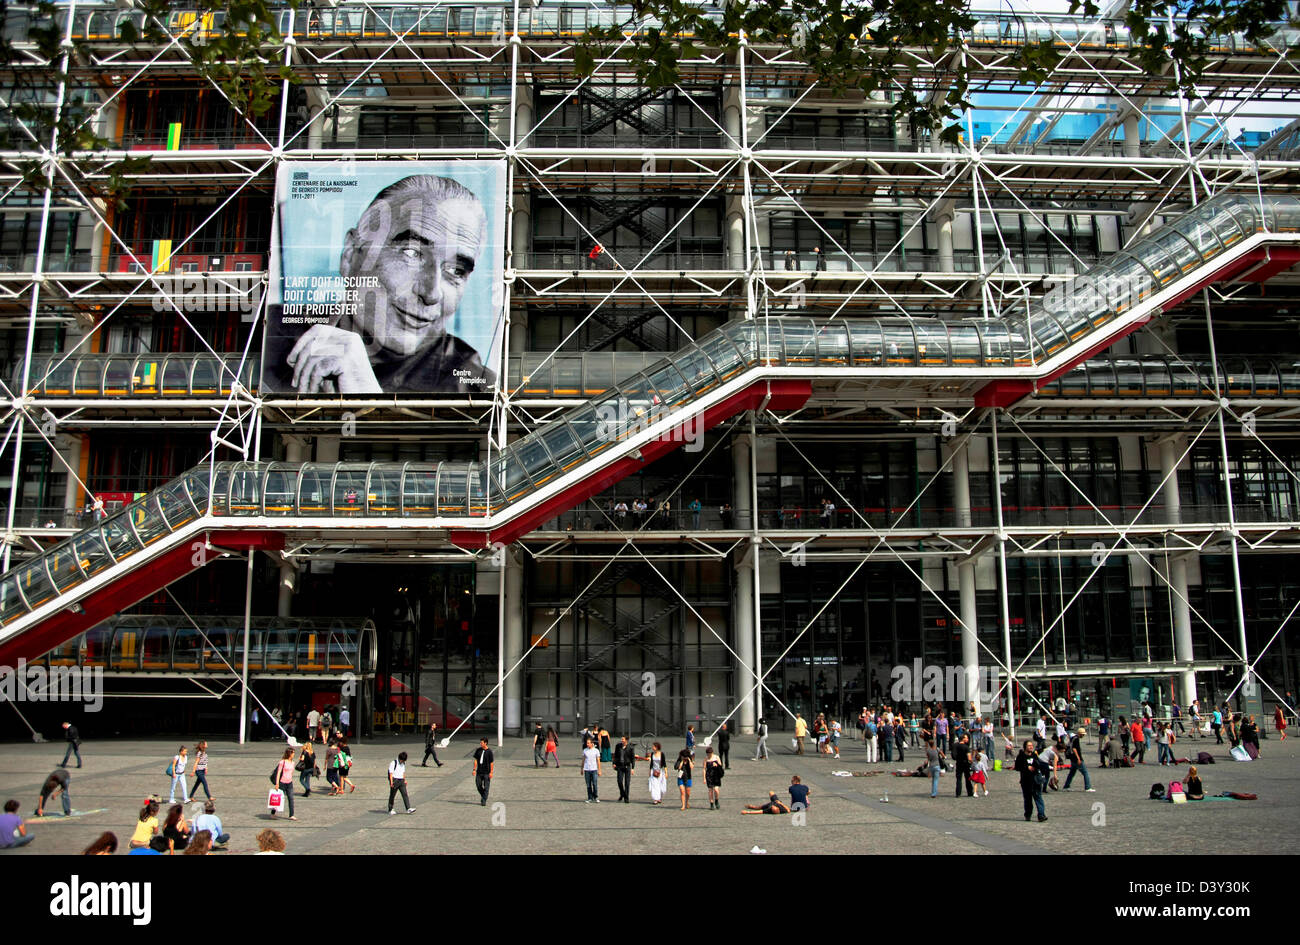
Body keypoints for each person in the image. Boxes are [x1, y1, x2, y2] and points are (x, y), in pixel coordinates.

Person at [276, 174, 497, 395]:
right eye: (412, 252)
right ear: (351, 254)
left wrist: (369, 399)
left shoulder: (478, 389)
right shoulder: (266, 336)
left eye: (455, 271)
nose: (431, 293)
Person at [1015, 740, 1048, 822]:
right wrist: (1027, 767)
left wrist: (1036, 767)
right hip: (1026, 781)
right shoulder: (1021, 756)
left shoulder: (1034, 755)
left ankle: (1041, 815)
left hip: (1036, 781)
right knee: (1028, 800)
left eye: (1032, 745)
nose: (1031, 747)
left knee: (1038, 798)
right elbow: (1017, 767)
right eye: (1029, 745)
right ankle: (1028, 814)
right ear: (1025, 747)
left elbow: (1039, 765)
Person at [1062, 727, 1095, 791]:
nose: (1083, 735)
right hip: (1076, 759)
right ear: (1080, 734)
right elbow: (1074, 749)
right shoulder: (1076, 739)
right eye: (1083, 734)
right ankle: (1088, 787)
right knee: (1085, 773)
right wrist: (1078, 758)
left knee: (1072, 773)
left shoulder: (1072, 738)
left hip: (1072, 758)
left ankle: (1066, 786)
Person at [271, 747, 297, 821]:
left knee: (291, 798)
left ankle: (291, 815)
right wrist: (277, 783)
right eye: (293, 753)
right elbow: (279, 773)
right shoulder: (282, 762)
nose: (294, 754)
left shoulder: (293, 763)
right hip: (282, 782)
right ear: (289, 753)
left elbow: (291, 773)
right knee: (279, 798)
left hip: (289, 783)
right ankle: (273, 812)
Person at [613, 735, 636, 803]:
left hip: (627, 766)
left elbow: (632, 758)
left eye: (623, 739)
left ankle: (626, 797)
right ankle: (622, 793)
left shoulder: (630, 747)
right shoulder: (618, 746)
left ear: (626, 740)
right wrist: (614, 763)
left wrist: (633, 768)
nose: (621, 740)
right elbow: (616, 755)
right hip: (620, 766)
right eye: (621, 739)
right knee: (619, 781)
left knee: (627, 783)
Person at [473, 738, 494, 806]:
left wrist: (491, 772)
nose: (480, 744)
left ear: (486, 743)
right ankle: (484, 795)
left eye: (482, 743)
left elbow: (491, 763)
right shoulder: (478, 750)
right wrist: (474, 769)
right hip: (479, 771)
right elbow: (476, 760)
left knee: (486, 787)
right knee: (478, 785)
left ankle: (483, 800)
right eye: (480, 742)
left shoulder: (489, 752)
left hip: (486, 772)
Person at [703, 746, 724, 811]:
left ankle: (716, 800)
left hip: (716, 775)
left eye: (710, 754)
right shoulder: (706, 759)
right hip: (709, 775)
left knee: (716, 790)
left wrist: (717, 764)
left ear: (712, 753)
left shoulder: (716, 757)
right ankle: (711, 803)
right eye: (708, 754)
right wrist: (704, 778)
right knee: (710, 790)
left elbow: (721, 766)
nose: (709, 755)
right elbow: (704, 769)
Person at [581, 737, 601, 803]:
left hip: (594, 769)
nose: (587, 744)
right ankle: (590, 797)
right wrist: (582, 768)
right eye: (587, 743)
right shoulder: (585, 750)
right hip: (587, 769)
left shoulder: (596, 751)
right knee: (588, 784)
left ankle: (595, 797)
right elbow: (583, 760)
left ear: (592, 743)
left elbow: (598, 761)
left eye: (588, 743)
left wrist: (599, 770)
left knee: (594, 784)